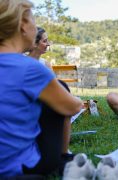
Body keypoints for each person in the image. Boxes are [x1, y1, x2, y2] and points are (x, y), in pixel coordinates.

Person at [0, 0, 84, 178]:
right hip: (20, 168)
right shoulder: (30, 68)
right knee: (60, 87)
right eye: (34, 21)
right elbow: (73, 107)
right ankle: (62, 156)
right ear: (23, 26)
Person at [29, 27, 72, 157]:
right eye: (45, 41)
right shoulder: (22, 62)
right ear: (35, 44)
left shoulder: (46, 64)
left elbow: (56, 89)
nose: (48, 44)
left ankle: (63, 148)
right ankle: (63, 153)